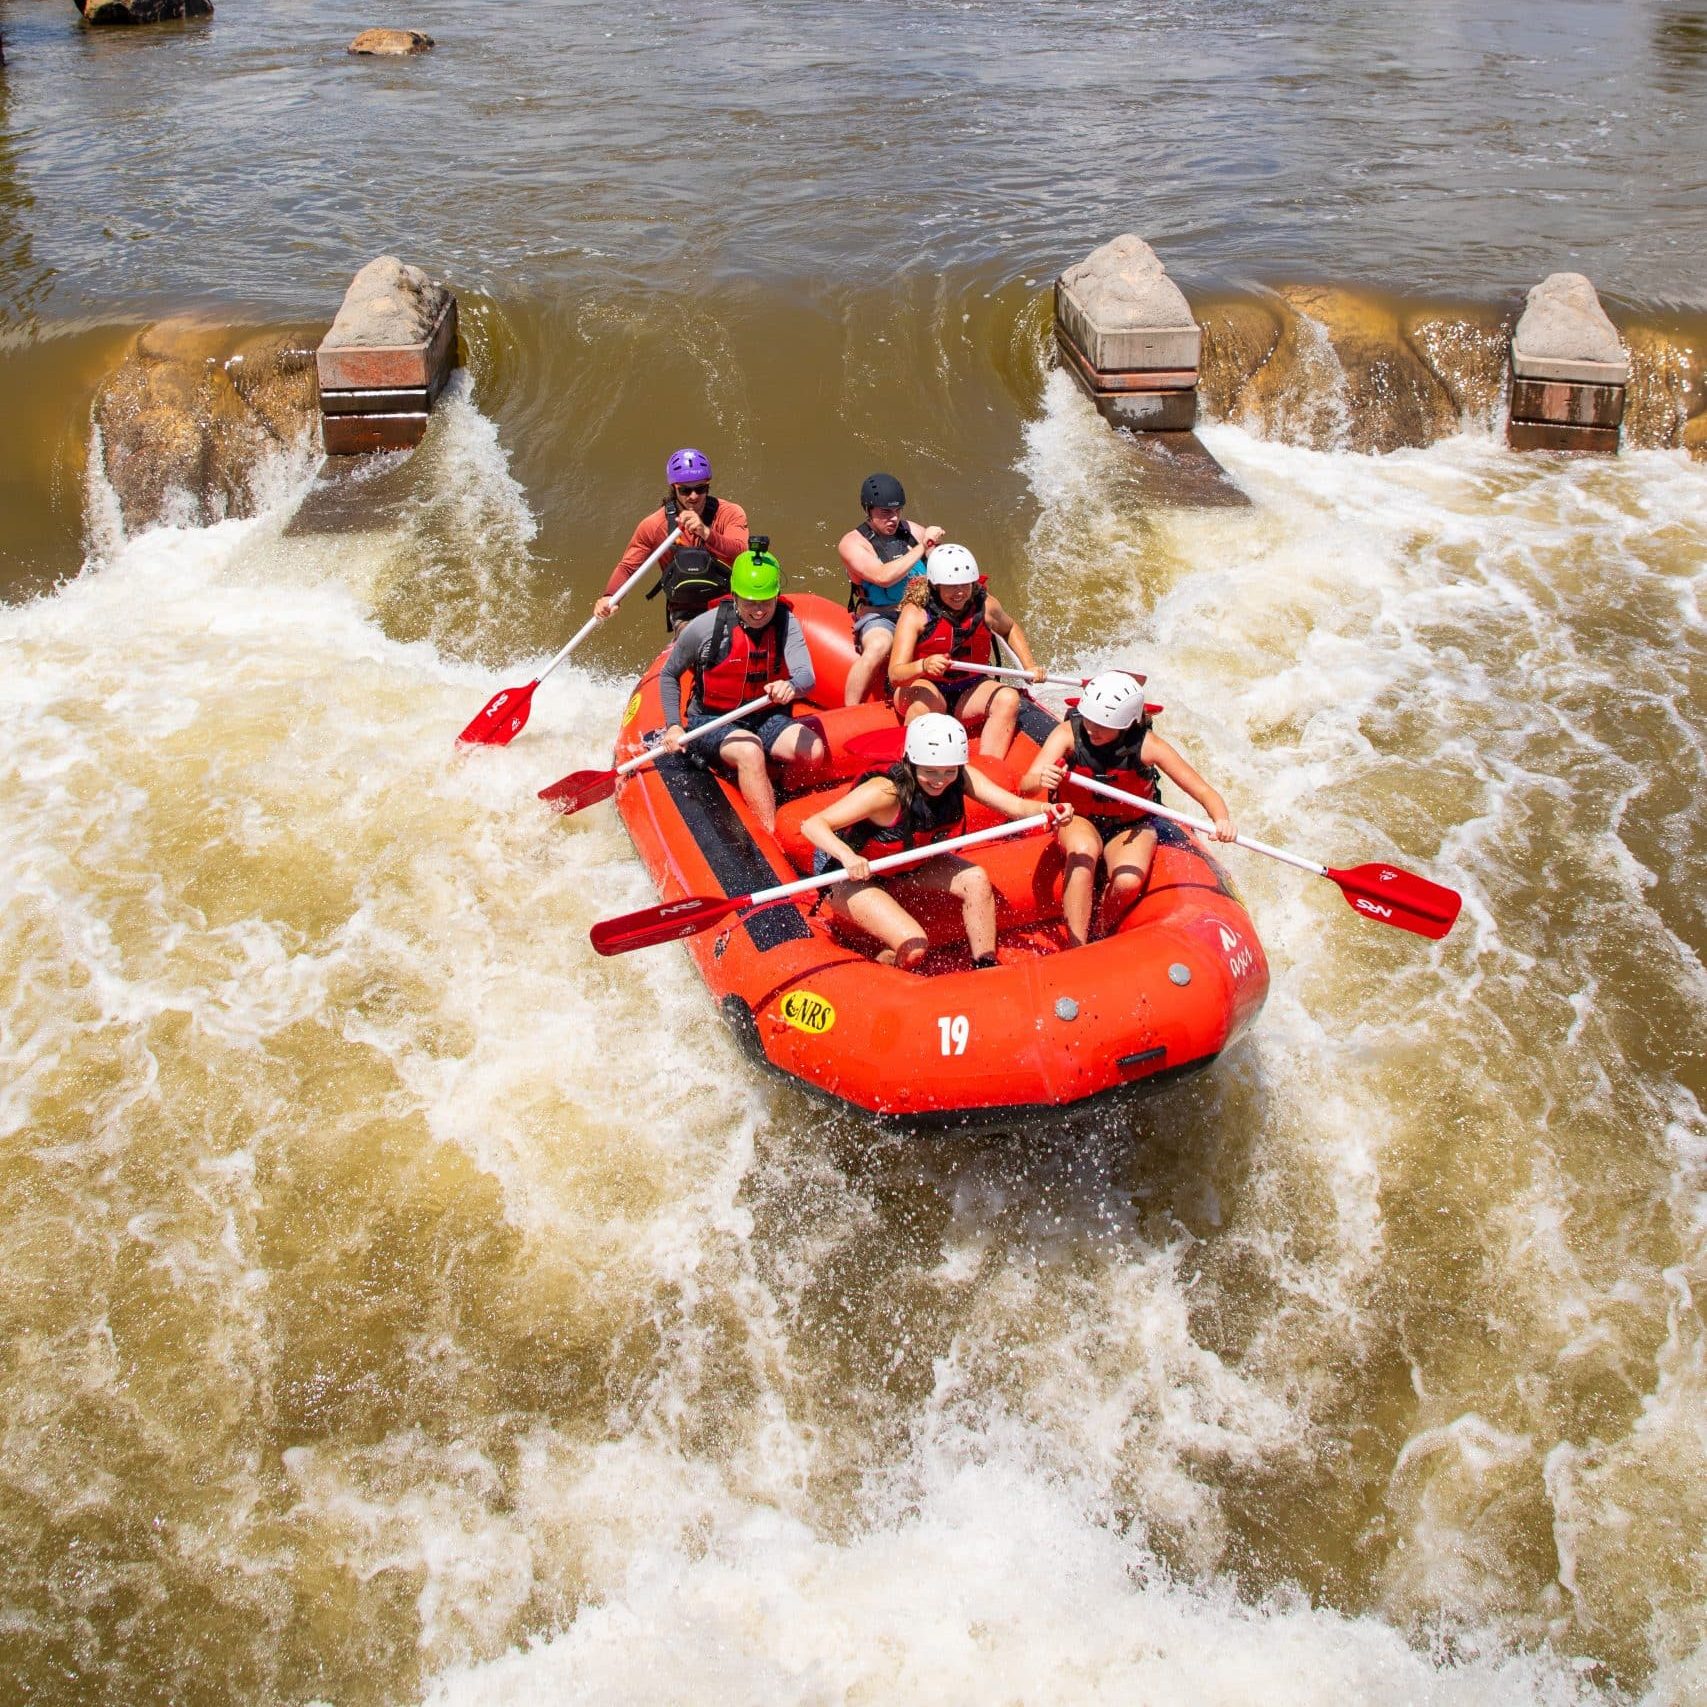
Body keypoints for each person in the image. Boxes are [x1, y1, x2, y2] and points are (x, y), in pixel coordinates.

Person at [801, 712, 1069, 972]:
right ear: (911, 762)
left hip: (906, 864)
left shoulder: (961, 776)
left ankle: (985, 964)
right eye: (930, 771)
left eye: (948, 771)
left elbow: (1017, 806)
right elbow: (812, 825)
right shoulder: (884, 792)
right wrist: (848, 857)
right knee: (915, 947)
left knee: (976, 879)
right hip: (847, 872)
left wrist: (1048, 810)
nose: (940, 781)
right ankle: (883, 963)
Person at [1020, 671, 1235, 947]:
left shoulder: (1148, 746)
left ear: (1127, 724)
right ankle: (1077, 946)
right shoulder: (1067, 734)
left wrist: (1222, 819)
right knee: (1084, 852)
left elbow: (1203, 791)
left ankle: (1101, 929)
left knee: (1128, 881)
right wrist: (1041, 778)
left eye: (1102, 725)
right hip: (1077, 817)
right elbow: (1025, 785)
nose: (1091, 729)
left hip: (1130, 825)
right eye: (1089, 720)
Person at [659, 543, 826, 832]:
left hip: (764, 716)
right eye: (750, 602)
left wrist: (791, 686)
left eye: (766, 602)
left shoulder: (786, 623)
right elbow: (669, 674)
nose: (759, 611)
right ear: (735, 596)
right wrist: (673, 725)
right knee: (750, 751)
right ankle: (769, 834)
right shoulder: (704, 628)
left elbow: (806, 676)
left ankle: (785, 800)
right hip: (711, 720)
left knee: (813, 751)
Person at [886, 543, 1042, 761]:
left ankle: (990, 767)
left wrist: (1029, 665)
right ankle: (910, 764)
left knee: (1008, 698)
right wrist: (924, 665)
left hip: (969, 689)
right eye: (951, 586)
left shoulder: (986, 605)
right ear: (935, 585)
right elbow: (895, 675)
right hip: (925, 687)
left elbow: (1010, 628)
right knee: (923, 703)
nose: (959, 592)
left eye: (965, 584)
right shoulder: (916, 613)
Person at [594, 448, 750, 631]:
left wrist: (706, 533)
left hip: (730, 601)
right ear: (674, 488)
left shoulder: (729, 513)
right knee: (700, 642)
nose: (693, 496)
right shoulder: (654, 525)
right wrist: (610, 596)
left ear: (708, 485)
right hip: (686, 611)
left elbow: (741, 552)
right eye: (685, 490)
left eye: (700, 488)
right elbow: (628, 568)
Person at [837, 472, 944, 707]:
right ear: (868, 509)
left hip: (919, 612)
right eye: (885, 512)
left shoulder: (914, 531)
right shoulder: (853, 543)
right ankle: (850, 709)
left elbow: (943, 570)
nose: (893, 518)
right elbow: (882, 577)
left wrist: (936, 548)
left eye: (897, 511)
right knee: (878, 646)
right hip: (882, 615)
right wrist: (922, 547)